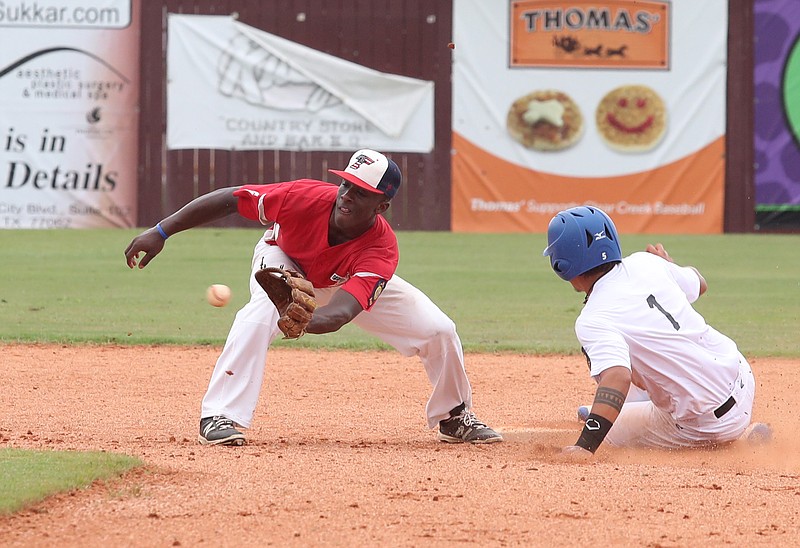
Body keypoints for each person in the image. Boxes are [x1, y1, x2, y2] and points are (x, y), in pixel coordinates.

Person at [124, 149, 502, 446]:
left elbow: (341, 312)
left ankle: (453, 415)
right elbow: (229, 199)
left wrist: (303, 318)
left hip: (344, 280)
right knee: (259, 315)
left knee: (439, 329)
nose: (348, 195)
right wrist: (161, 231)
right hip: (282, 257)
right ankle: (219, 416)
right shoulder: (301, 197)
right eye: (347, 185)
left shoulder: (381, 249)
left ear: (382, 207)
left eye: (362, 192)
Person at [541, 205, 771, 457]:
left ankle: (739, 442)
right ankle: (627, 409)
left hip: (706, 423)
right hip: (742, 375)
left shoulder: (593, 318)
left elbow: (617, 377)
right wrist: (668, 266)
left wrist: (585, 446)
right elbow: (700, 284)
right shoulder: (646, 262)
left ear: (561, 265)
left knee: (609, 432)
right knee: (641, 358)